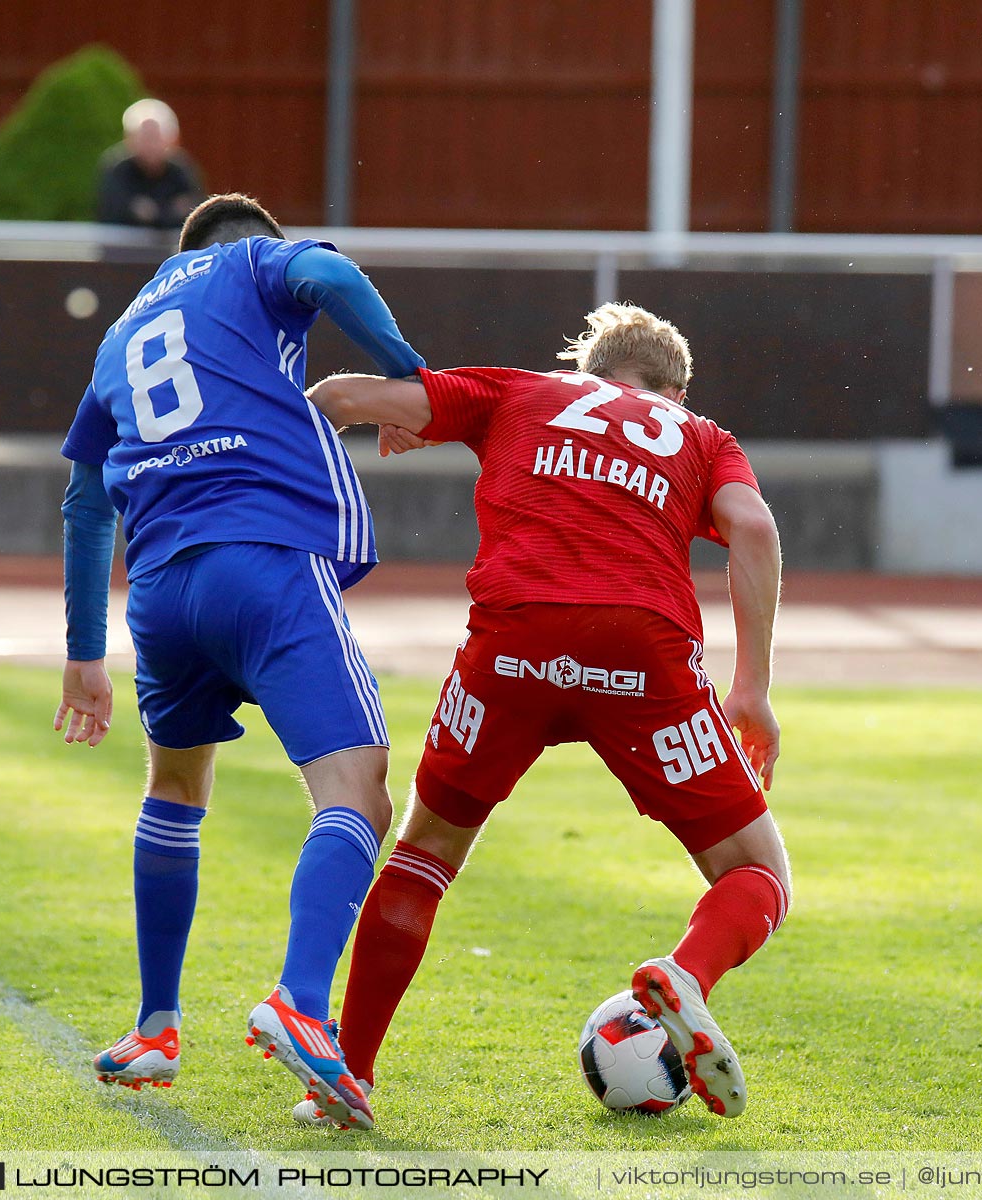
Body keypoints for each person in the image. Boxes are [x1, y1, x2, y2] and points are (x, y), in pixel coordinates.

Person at [300, 303, 791, 1122]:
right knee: (758, 874)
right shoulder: (702, 437)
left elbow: (335, 396)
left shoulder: (516, 392)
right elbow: (755, 529)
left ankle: (346, 1077)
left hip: (511, 646)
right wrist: (753, 688)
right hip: (642, 653)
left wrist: (384, 423)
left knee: (423, 857)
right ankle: (684, 976)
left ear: (589, 371)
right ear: (672, 389)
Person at [54, 192, 427, 1131]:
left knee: (175, 791)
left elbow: (86, 503)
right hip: (261, 558)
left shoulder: (120, 336)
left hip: (163, 592)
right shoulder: (252, 263)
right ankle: (302, 997)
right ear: (257, 245)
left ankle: (153, 1029)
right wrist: (410, 379)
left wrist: (82, 656)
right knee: (359, 791)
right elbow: (331, 273)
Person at [97, 99, 205, 229]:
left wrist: (151, 213)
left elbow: (194, 210)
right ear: (129, 140)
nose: (151, 145)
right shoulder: (116, 170)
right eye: (145, 137)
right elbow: (113, 213)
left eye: (155, 137)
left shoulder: (181, 170)